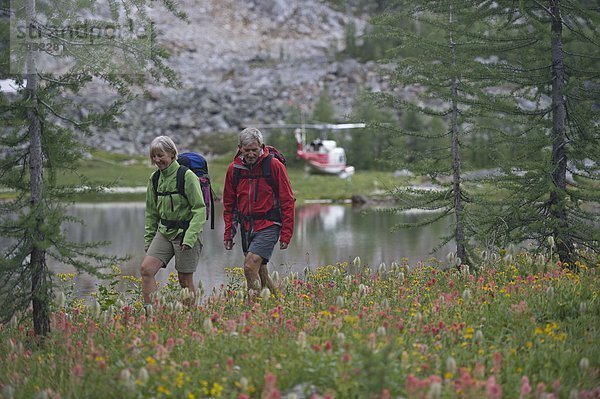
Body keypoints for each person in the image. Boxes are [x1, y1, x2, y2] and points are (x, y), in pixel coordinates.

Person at [223, 127, 295, 298]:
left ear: (261, 146)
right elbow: (229, 204)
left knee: (249, 266)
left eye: (254, 150)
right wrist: (229, 233)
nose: (250, 154)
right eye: (246, 150)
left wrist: (286, 234)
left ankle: (254, 309)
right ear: (239, 147)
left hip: (269, 224)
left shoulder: (274, 166)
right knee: (260, 270)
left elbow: (287, 200)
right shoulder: (234, 169)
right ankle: (278, 301)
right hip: (246, 226)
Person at [141, 136, 206, 307]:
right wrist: (148, 239)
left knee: (184, 279)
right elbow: (151, 213)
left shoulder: (187, 176)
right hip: (164, 233)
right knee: (146, 270)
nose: (157, 160)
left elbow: (200, 209)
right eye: (153, 156)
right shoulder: (154, 179)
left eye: (160, 155)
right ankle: (151, 315)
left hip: (185, 233)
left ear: (171, 153)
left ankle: (189, 318)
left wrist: (190, 237)